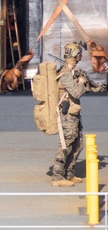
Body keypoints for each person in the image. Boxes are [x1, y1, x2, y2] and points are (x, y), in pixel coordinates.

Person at [50, 42, 104, 187]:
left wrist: (94, 86)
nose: (80, 56)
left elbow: (83, 87)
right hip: (66, 115)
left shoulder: (73, 72)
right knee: (66, 144)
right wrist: (81, 82)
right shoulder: (65, 74)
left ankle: (69, 173)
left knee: (78, 144)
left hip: (74, 115)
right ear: (75, 55)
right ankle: (57, 176)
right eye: (79, 53)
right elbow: (75, 92)